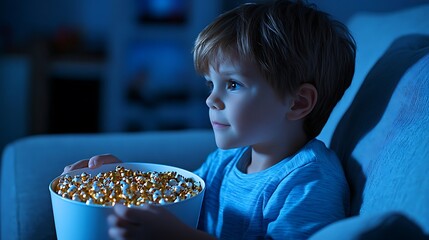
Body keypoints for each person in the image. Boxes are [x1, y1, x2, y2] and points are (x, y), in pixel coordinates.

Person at [64, 0, 356, 239]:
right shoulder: (224, 161)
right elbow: (176, 206)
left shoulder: (308, 182)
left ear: (298, 102)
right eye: (210, 84)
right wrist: (120, 182)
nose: (211, 100)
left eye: (232, 85)